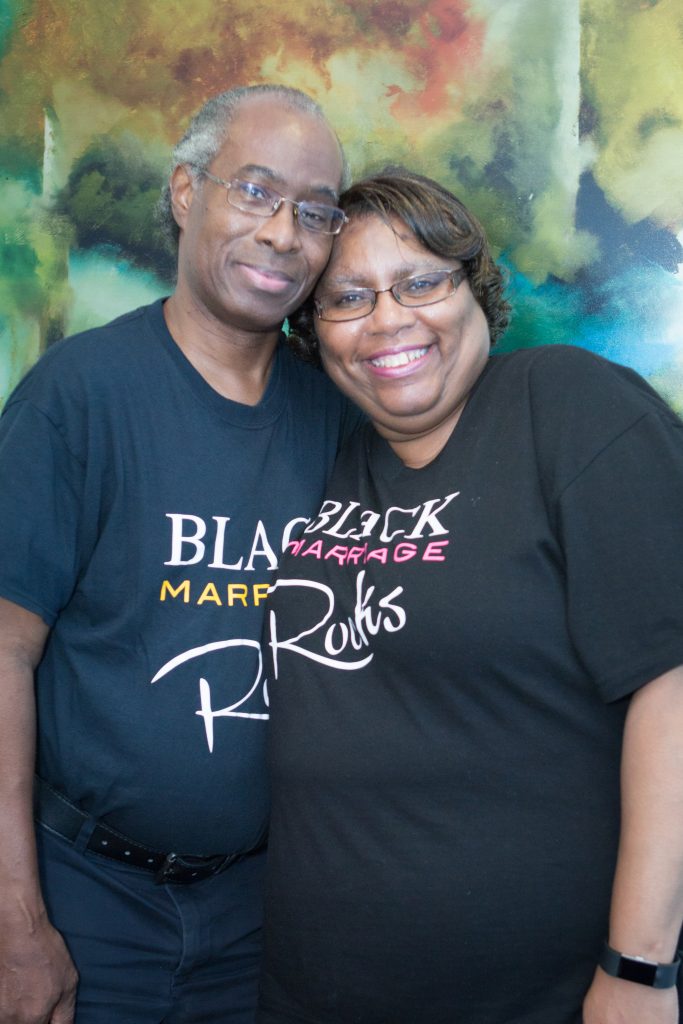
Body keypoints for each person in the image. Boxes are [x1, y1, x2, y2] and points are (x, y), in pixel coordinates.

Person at [257, 168, 683, 1024]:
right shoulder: (333, 457)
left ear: (474, 290)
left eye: (420, 282)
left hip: (542, 995)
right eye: (347, 298)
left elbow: (672, 688)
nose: (387, 319)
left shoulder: (568, 407)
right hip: (315, 988)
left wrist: (637, 969)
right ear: (312, 329)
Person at [0, 83, 360, 1024]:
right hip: (85, 901)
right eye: (255, 191)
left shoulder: (338, 419)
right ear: (186, 192)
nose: (282, 234)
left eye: (314, 212)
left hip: (265, 912)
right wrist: (15, 919)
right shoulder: (77, 396)